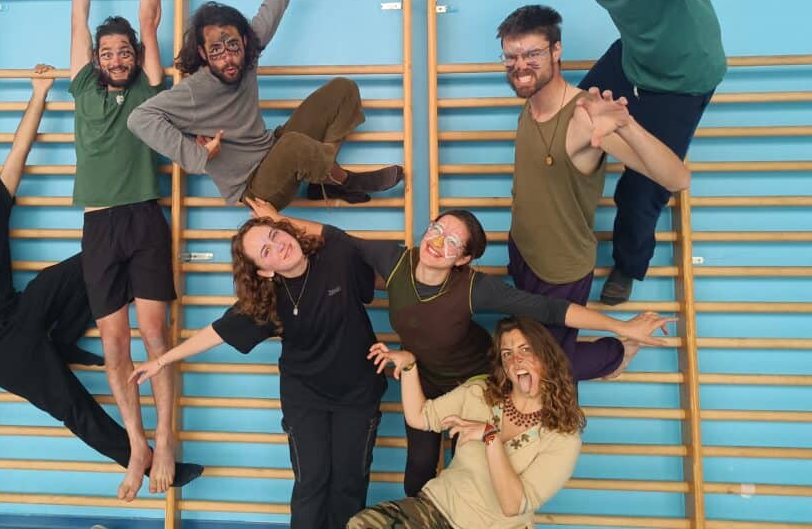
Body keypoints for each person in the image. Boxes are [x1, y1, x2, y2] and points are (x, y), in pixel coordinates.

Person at [515, 0, 812, 304]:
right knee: (571, 116)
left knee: (641, 190)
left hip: (683, 76)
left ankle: (629, 266)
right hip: (635, 53)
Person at [0, 66, 202, 495]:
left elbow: (18, 152)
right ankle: (144, 461)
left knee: (96, 260)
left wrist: (39, 93)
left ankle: (60, 340)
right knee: (72, 404)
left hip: (20, 312)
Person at [247, 199, 672, 497]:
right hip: (425, 381)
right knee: (418, 470)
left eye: (452, 242)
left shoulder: (474, 288)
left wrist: (621, 325)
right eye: (437, 229)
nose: (438, 242)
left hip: (476, 385)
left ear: (463, 259)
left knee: (472, 461)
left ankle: (618, 352)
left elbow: (551, 309)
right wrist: (278, 220)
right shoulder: (395, 261)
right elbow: (334, 236)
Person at [129, 214, 386, 529]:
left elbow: (378, 266)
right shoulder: (267, 299)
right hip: (305, 398)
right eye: (266, 251)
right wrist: (161, 361)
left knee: (349, 484)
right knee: (312, 482)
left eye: (275, 235)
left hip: (358, 394)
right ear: (264, 270)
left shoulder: (337, 257)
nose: (278, 246)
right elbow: (217, 331)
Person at [126, 0, 403, 209]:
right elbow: (139, 118)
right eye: (216, 51)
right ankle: (345, 180)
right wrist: (196, 153)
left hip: (272, 151)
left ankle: (325, 178)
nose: (228, 59)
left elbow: (273, 6)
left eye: (233, 46)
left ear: (245, 42)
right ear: (202, 53)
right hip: (255, 188)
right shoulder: (194, 90)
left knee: (343, 90)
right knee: (293, 144)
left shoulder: (248, 56)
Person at [498, 4, 691, 380]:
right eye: (511, 56)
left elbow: (677, 178)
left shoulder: (584, 118)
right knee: (530, 348)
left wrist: (627, 126)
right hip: (523, 251)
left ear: (556, 50)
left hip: (559, 270)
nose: (520, 66)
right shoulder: (532, 102)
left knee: (545, 367)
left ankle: (617, 354)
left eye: (532, 54)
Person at [69, 0, 191, 495]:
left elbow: (150, 18)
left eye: (124, 52)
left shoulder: (147, 85)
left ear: (134, 56)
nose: (116, 59)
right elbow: (78, 25)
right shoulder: (82, 87)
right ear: (97, 60)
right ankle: (136, 444)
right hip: (99, 227)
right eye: (107, 53)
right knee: (114, 345)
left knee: (154, 334)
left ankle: (164, 439)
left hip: (143, 220)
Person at [349, 317, 584, 529]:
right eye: (507, 354)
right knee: (362, 525)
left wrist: (490, 437)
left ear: (546, 357)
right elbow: (421, 417)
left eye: (526, 349)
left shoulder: (563, 438)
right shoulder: (479, 391)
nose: (516, 359)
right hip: (436, 509)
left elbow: (513, 505)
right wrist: (410, 366)